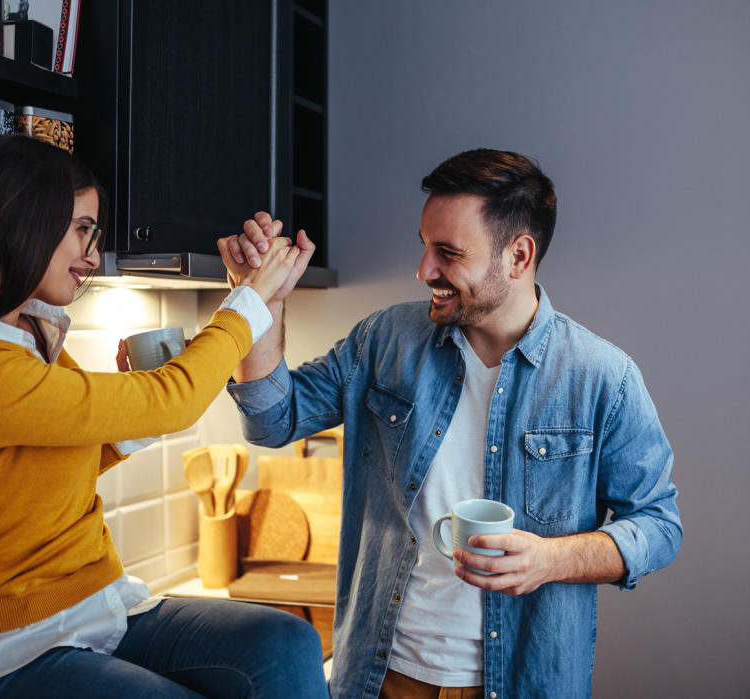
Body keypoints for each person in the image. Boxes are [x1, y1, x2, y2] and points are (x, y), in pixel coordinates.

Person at [0, 135, 329, 698]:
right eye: (82, 229)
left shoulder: (28, 332)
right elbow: (175, 398)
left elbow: (58, 467)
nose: (91, 253)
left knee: (286, 644)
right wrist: (248, 301)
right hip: (0, 653)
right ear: (21, 222)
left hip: (98, 605)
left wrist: (126, 410)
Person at [218, 148, 682, 698]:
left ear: (518, 256)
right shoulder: (385, 341)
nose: (423, 271)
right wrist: (258, 300)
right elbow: (273, 420)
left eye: (448, 253)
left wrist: (550, 560)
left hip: (521, 682)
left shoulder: (602, 376)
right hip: (383, 678)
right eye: (424, 246)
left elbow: (658, 526)